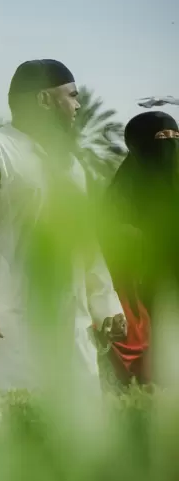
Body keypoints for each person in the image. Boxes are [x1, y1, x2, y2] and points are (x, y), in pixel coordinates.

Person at [0, 59, 125, 395]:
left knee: (78, 422)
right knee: (10, 423)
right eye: (72, 95)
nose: (78, 105)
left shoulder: (70, 165)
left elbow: (83, 240)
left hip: (70, 321)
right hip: (7, 321)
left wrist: (106, 302)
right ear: (44, 100)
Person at [100, 111, 179, 385]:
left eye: (175, 136)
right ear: (137, 144)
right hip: (140, 301)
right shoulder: (119, 197)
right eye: (161, 137)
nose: (170, 144)